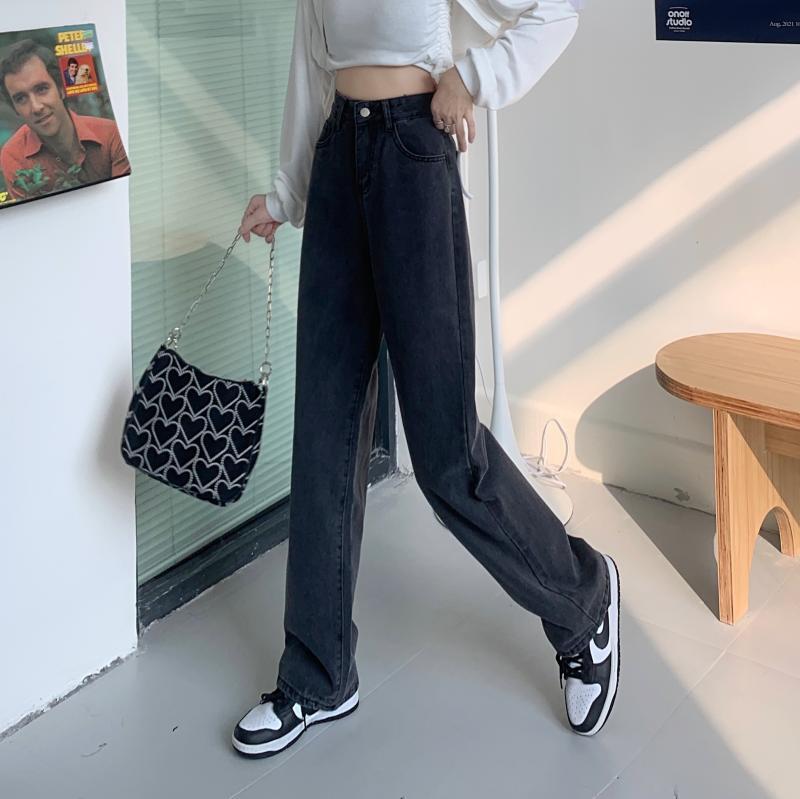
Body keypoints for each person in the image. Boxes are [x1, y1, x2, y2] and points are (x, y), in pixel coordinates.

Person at [232, 0, 620, 759]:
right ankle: (317, 675)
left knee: (446, 454)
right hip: (339, 157)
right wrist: (286, 194)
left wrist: (471, 78)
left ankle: (583, 596)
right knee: (324, 435)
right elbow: (310, 70)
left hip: (414, 155)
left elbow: (553, 14)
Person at [0, 39, 130, 203]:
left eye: (42, 89)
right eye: (21, 98)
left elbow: (122, 200)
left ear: (61, 89)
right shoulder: (13, 155)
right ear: (15, 109)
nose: (36, 107)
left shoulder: (110, 134)